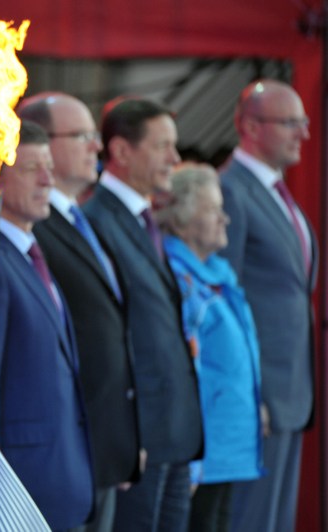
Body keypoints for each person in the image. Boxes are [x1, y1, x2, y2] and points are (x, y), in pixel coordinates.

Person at [19, 92, 141, 532]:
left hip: (99, 447)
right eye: (84, 136)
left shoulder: (79, 220)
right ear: (43, 144)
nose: (98, 146)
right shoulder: (29, 231)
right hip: (62, 451)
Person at [83, 97, 203, 532]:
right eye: (163, 146)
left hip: (172, 431)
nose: (175, 158)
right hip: (141, 436)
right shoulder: (96, 221)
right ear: (121, 151)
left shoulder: (140, 218)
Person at [0, 120, 95, 530]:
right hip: (21, 492)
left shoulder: (29, 255)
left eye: (49, 168)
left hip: (60, 478)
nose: (47, 180)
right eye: (31, 169)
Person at [218, 79, 317, 532]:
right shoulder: (231, 192)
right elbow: (223, 300)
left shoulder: (278, 193)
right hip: (257, 400)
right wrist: (247, 393)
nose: (305, 134)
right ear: (251, 127)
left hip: (290, 390)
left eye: (304, 121)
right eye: (291, 123)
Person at [156, 163, 264, 532]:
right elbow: (186, 368)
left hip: (226, 443)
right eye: (212, 210)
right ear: (183, 220)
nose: (225, 219)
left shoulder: (216, 272)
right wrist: (195, 462)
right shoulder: (178, 276)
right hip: (202, 452)